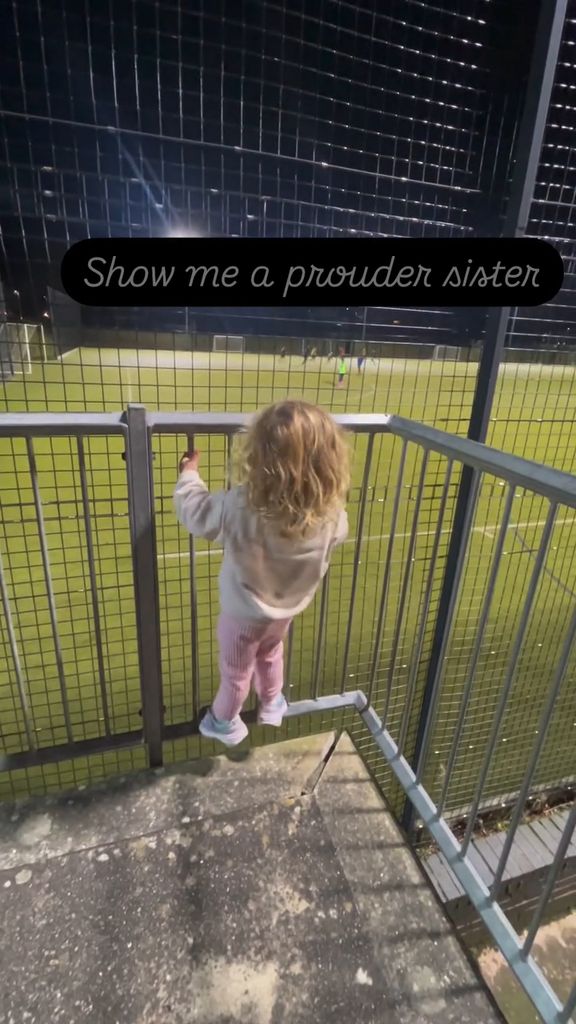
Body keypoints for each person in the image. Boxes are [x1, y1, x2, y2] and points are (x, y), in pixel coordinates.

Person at [174, 401, 350, 746]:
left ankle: (224, 722)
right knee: (271, 653)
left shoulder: (241, 507)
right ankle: (272, 703)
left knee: (236, 673)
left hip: (242, 614)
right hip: (285, 610)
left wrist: (189, 474)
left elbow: (195, 510)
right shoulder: (330, 515)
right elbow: (337, 535)